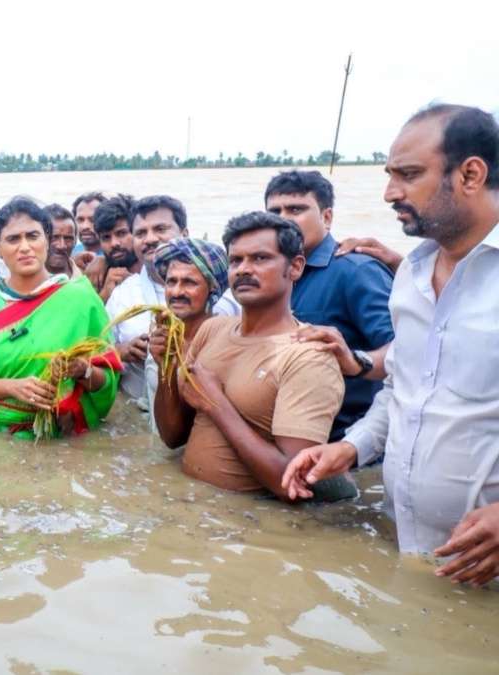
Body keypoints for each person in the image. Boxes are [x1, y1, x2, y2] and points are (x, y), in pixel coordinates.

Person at [282, 105, 499, 585]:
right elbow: (404, 391)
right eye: (389, 175)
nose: (389, 193)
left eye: (409, 175)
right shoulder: (412, 275)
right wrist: (350, 447)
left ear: (470, 173)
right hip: (413, 556)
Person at [155, 212, 348, 501]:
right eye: (236, 261)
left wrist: (216, 404)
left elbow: (292, 483)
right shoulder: (212, 330)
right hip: (193, 509)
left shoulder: (308, 355)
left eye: (260, 258)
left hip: (249, 525)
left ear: (295, 267)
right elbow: (172, 437)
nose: (244, 269)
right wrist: (167, 367)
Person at [0, 198, 121, 439]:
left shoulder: (81, 298)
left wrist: (84, 371)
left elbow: (110, 379)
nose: (24, 247)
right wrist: (12, 387)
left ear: (47, 240)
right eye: (13, 239)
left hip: (59, 438)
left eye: (33, 236)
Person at [264, 170, 395, 440]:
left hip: (347, 440)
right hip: (285, 430)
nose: (284, 219)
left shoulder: (356, 271)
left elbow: (407, 351)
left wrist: (356, 361)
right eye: (274, 212)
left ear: (327, 217)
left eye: (296, 209)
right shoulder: (270, 275)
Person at [106, 195, 239, 408]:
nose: (149, 239)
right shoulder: (122, 294)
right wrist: (122, 351)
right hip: (140, 411)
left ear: (184, 233)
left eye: (160, 229)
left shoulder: (226, 292)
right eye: (140, 233)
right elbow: (97, 352)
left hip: (210, 407)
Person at [144, 237, 229, 424]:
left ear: (213, 289)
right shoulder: (161, 338)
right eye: (171, 281)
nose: (176, 292)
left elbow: (177, 435)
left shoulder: (223, 344)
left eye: (189, 282)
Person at [91, 193, 139, 301]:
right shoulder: (96, 279)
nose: (114, 243)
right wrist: (105, 295)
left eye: (121, 233)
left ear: (137, 232)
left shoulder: (158, 270)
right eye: (106, 237)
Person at [44, 203, 80, 278]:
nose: (61, 246)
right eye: (54, 237)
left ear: (75, 240)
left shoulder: (88, 275)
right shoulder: (23, 278)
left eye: (68, 238)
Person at [72, 191, 106, 255]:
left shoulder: (115, 256)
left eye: (92, 220)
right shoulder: (70, 253)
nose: (85, 226)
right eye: (80, 220)